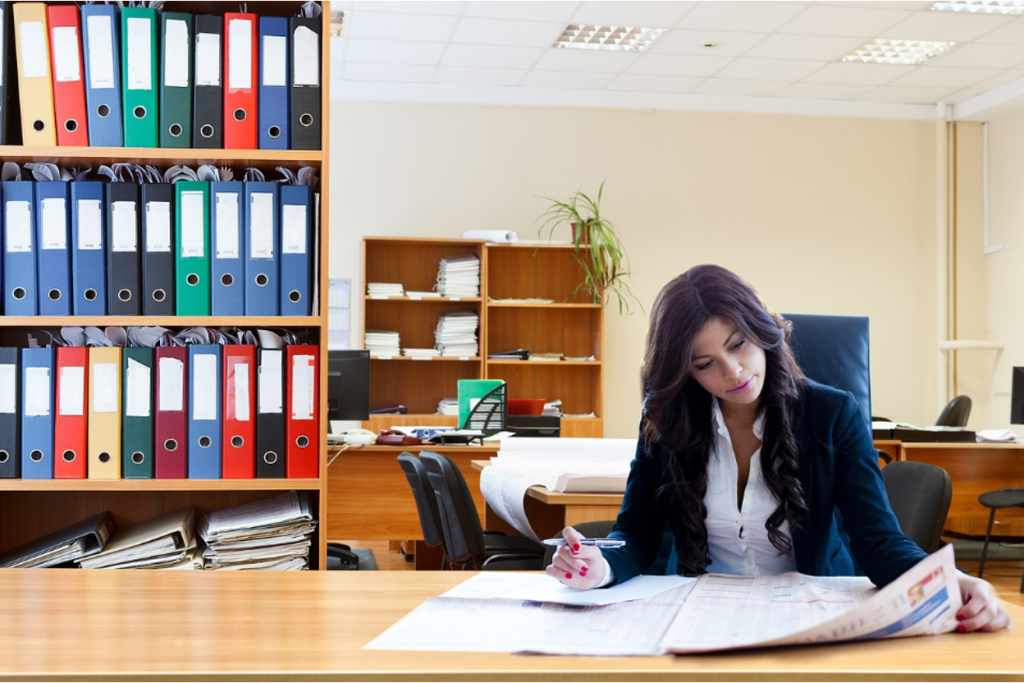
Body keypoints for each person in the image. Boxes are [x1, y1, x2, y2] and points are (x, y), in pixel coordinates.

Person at [546, 264, 1010, 633]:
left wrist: (956, 582)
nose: (733, 371)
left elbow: (878, 541)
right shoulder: (667, 420)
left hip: (809, 614)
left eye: (739, 344)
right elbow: (637, 531)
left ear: (763, 329)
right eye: (705, 364)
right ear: (685, 372)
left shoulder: (832, 414)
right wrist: (601, 565)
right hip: (694, 616)